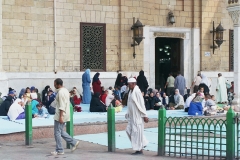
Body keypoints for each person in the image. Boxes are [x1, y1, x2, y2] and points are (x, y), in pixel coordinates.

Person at [51, 78, 80, 155]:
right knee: (60, 131)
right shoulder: (65, 90)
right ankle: (74, 142)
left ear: (57, 84)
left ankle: (59, 149)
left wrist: (60, 117)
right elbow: (68, 96)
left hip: (61, 114)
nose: (54, 85)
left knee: (57, 132)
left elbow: (62, 105)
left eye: (54, 84)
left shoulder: (60, 92)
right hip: (65, 113)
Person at [125, 78, 149, 155]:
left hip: (138, 115)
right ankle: (143, 143)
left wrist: (145, 115)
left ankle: (139, 149)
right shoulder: (130, 92)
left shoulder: (137, 92)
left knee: (137, 132)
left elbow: (142, 104)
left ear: (134, 84)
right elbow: (129, 104)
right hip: (132, 116)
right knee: (128, 130)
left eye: (130, 84)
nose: (128, 85)